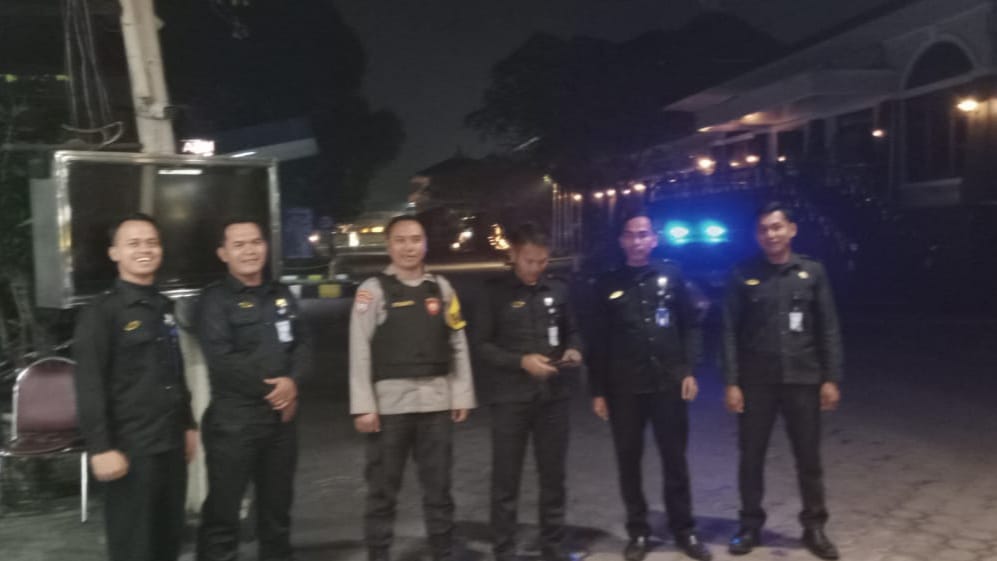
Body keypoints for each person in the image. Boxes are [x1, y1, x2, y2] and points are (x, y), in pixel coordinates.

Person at [349, 215, 476, 561]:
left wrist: (461, 394)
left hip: (436, 403)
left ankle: (443, 552)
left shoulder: (442, 289)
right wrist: (363, 406)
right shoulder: (373, 291)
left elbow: (457, 342)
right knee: (382, 492)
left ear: (425, 244)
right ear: (389, 245)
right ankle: (379, 554)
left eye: (416, 239)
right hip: (390, 408)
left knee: (439, 490)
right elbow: (359, 349)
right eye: (401, 240)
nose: (409, 247)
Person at [73, 213, 198, 561]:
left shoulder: (163, 306)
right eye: (134, 243)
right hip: (130, 449)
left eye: (152, 242)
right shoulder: (101, 313)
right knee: (133, 546)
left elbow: (174, 371)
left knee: (168, 540)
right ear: (114, 253)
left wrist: (188, 424)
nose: (145, 249)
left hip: (170, 444)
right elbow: (89, 384)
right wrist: (100, 447)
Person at [722, 202, 843, 560]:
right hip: (756, 383)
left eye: (776, 227)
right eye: (763, 229)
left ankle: (814, 526)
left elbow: (828, 328)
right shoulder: (742, 274)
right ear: (756, 235)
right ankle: (749, 525)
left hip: (803, 379)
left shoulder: (811, 272)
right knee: (751, 458)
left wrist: (831, 378)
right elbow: (729, 331)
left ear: (791, 229)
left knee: (808, 458)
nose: (770, 234)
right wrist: (732, 382)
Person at [588, 211, 711, 561]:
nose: (637, 241)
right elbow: (598, 341)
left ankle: (684, 529)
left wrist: (688, 369)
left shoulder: (672, 275)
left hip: (667, 385)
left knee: (675, 460)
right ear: (622, 241)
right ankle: (638, 531)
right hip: (624, 389)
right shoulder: (607, 283)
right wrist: (598, 391)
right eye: (631, 235)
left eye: (643, 234)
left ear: (654, 239)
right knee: (628, 461)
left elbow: (690, 325)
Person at [196, 219, 311, 561]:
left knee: (277, 511)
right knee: (223, 512)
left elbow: (303, 344)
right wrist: (277, 392)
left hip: (280, 424)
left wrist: (293, 382)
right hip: (234, 423)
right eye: (239, 245)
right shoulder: (215, 300)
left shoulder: (281, 294)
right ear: (223, 253)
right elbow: (222, 360)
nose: (250, 250)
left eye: (256, 242)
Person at [473, 223, 583, 561]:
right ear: (514, 255)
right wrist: (521, 361)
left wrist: (574, 350)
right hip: (510, 398)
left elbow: (573, 331)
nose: (535, 267)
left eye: (542, 261)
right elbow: (481, 345)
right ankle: (504, 549)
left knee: (553, 477)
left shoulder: (558, 289)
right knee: (506, 479)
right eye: (529, 260)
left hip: (553, 397)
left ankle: (553, 545)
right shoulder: (494, 293)